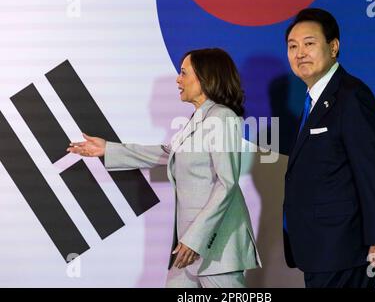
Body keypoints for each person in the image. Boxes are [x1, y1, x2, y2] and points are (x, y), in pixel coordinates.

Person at [67, 48, 261, 288]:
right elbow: (169, 153)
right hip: (188, 246)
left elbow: (226, 184)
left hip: (215, 246)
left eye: (184, 73)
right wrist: (108, 149)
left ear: (206, 77)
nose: (178, 80)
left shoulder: (222, 117)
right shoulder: (200, 118)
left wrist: (195, 239)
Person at [282, 8, 375, 288]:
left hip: (345, 250)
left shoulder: (351, 96)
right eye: (292, 46)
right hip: (321, 249)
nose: (300, 53)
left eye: (309, 44)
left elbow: (374, 172)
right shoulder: (313, 100)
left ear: (333, 47)